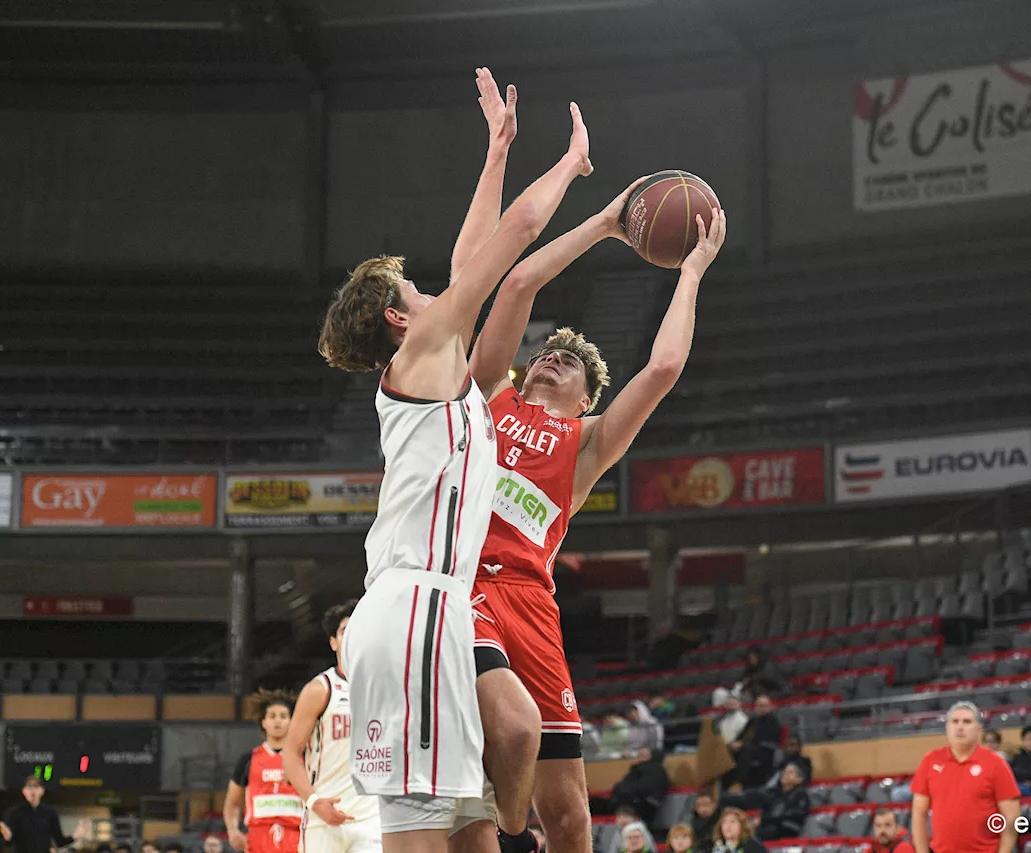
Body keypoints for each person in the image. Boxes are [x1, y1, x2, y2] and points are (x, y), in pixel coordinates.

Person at [318, 66, 592, 853]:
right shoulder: (425, 357)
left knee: (479, 817)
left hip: (439, 613)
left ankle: (509, 838)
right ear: (401, 318)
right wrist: (572, 166)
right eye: (418, 288)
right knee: (424, 837)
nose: (441, 289)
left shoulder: (441, 361)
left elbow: (473, 248)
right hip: (407, 608)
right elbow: (510, 241)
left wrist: (498, 148)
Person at [466, 159, 725, 853]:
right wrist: (605, 224)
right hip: (465, 587)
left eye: (569, 362)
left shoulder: (585, 442)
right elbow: (519, 280)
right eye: (546, 353)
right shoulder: (491, 396)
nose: (551, 358)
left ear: (587, 398)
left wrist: (692, 271)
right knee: (505, 739)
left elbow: (664, 368)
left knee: (573, 815)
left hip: (530, 598)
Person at [282, 600, 382, 853]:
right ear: (333, 642)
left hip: (371, 817)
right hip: (323, 815)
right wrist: (314, 802)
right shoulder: (320, 689)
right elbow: (291, 753)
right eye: (344, 630)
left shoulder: (385, 687)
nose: (352, 636)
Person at [911, 701, 1019, 853]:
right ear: (947, 728)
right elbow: (918, 814)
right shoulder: (930, 760)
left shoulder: (996, 763)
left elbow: (1011, 818)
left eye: (967, 721)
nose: (960, 727)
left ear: (979, 729)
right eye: (955, 721)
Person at [224, 689, 302, 853]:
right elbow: (232, 802)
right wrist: (233, 831)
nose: (277, 721)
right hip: (258, 837)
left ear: (291, 721)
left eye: (283, 716)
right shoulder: (248, 759)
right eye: (272, 716)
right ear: (263, 721)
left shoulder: (305, 758)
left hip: (296, 835)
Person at [0, 774, 90, 853]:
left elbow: (60, 841)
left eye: (36, 787)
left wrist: (75, 836)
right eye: (29, 787)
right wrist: (7, 837)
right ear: (24, 791)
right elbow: (7, 843)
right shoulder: (14, 812)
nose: (32, 791)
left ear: (42, 790)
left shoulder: (50, 813)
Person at [730, 695, 782, 788]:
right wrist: (735, 743)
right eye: (759, 706)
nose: (761, 708)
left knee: (745, 748)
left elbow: (766, 739)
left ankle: (739, 781)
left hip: (763, 751)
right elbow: (741, 735)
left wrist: (742, 744)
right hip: (747, 748)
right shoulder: (752, 721)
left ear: (769, 707)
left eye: (764, 706)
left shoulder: (772, 721)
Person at [756, 763, 810, 840]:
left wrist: (765, 820)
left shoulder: (801, 795)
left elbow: (793, 815)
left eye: (790, 772)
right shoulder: (775, 795)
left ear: (799, 779)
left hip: (788, 827)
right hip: (772, 826)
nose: (785, 774)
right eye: (784, 772)